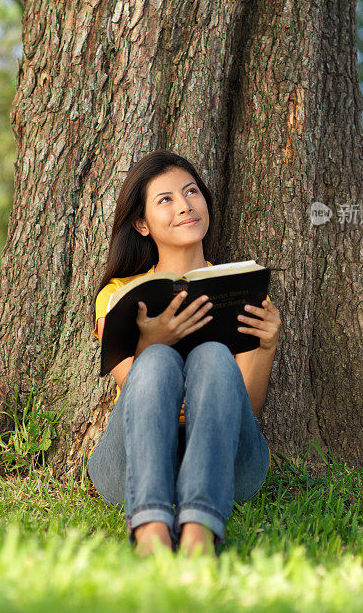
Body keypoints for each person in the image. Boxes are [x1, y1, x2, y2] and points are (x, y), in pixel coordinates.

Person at [86, 150, 281, 557]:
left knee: (212, 354)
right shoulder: (118, 295)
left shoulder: (237, 287)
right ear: (141, 223)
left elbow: (247, 406)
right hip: (133, 461)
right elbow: (131, 383)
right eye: (166, 200)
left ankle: (199, 532)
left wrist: (265, 346)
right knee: (156, 361)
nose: (185, 206)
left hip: (224, 458)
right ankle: (150, 530)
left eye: (191, 192)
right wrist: (153, 340)